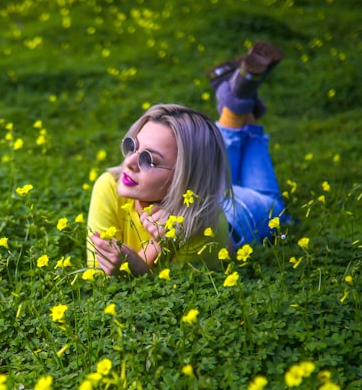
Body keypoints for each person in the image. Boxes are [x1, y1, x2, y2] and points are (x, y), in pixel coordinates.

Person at [86, 41, 289, 276]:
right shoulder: (109, 185)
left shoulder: (203, 228)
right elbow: (96, 271)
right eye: (132, 146)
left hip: (240, 212)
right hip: (202, 189)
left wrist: (140, 264)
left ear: (185, 175)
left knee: (274, 204)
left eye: (149, 160)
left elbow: (179, 288)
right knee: (205, 154)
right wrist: (159, 244)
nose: (129, 163)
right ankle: (238, 100)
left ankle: (239, 103)